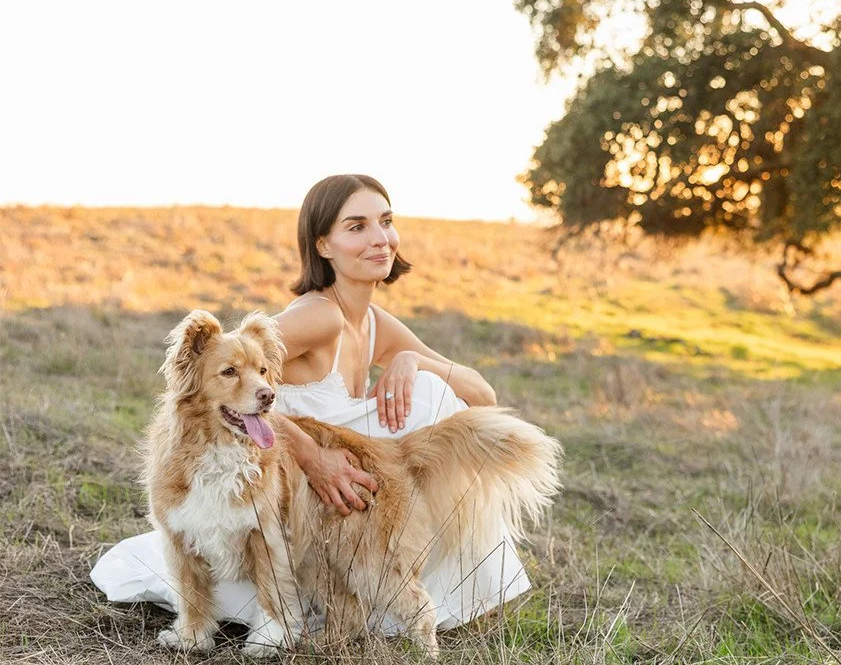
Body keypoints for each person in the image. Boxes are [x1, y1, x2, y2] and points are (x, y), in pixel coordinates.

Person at [90, 173, 532, 636]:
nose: (380, 238)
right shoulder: (319, 314)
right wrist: (312, 455)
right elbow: (230, 380)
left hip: (343, 512)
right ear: (324, 245)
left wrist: (411, 359)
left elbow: (482, 397)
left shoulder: (377, 322)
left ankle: (397, 588)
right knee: (429, 396)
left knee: (435, 393)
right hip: (281, 515)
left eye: (386, 221)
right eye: (356, 227)